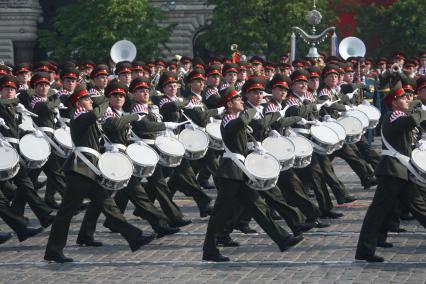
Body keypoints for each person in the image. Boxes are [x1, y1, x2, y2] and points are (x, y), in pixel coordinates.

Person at [44, 85, 156, 263]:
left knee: (108, 204)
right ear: (79, 102)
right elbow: (95, 114)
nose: (91, 101)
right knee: (66, 212)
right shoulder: (79, 115)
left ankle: (134, 237)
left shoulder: (88, 118)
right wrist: (104, 100)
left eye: (90, 99)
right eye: (87, 99)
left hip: (90, 169)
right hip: (79, 170)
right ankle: (53, 250)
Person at [202, 86, 303, 262]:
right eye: (238, 99)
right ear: (229, 104)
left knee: (258, 207)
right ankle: (209, 250)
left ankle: (283, 239)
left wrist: (254, 146)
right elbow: (239, 124)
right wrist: (252, 109)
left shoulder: (236, 118)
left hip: (239, 171)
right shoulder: (228, 118)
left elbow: (241, 137)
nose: (242, 101)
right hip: (229, 173)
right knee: (220, 213)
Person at [355, 82, 426, 262]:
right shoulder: (394, 115)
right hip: (392, 170)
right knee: (378, 211)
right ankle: (365, 251)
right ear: (395, 102)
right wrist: (423, 108)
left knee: (419, 208)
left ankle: (372, 244)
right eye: (403, 97)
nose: (408, 99)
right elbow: (410, 122)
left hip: (401, 171)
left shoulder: (401, 114)